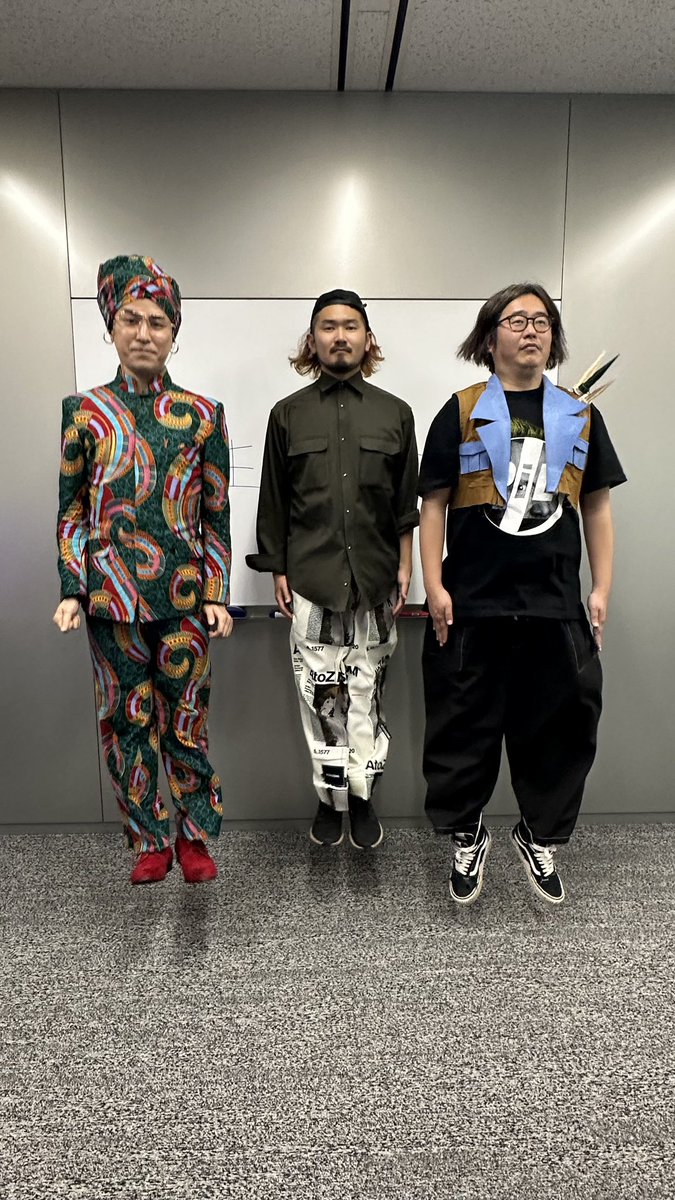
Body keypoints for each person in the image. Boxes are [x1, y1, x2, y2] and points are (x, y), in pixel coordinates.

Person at [419, 282, 626, 905]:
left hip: (553, 600)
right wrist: (433, 584)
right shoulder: (459, 412)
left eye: (542, 320)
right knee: (462, 724)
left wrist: (602, 586)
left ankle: (539, 833)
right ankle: (467, 832)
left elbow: (597, 505)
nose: (531, 329)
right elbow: (433, 505)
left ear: (553, 337)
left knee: (562, 722)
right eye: (516, 320)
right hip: (473, 601)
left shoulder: (579, 415)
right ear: (490, 338)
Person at [54, 255, 233, 885]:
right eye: (131, 319)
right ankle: (149, 838)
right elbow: (71, 509)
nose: (143, 333)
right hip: (110, 601)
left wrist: (216, 591)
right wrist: (72, 587)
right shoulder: (84, 412)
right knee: (126, 722)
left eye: (157, 322)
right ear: (111, 327)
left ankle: (195, 836)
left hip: (183, 600)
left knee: (186, 720)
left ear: (174, 333)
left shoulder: (203, 413)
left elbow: (216, 511)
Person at [247, 289, 418, 848]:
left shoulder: (396, 413)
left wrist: (406, 564)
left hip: (376, 583)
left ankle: (363, 799)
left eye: (350, 326)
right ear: (312, 339)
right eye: (328, 326)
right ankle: (328, 799)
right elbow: (274, 501)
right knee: (322, 701)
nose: (339, 336)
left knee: (367, 695)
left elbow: (405, 504)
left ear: (367, 339)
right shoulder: (287, 415)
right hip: (312, 584)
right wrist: (277, 570)